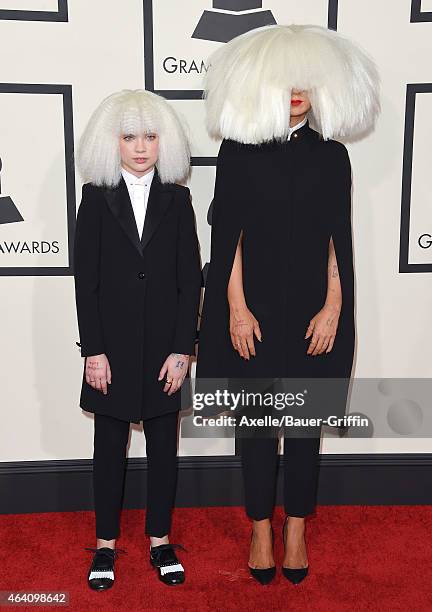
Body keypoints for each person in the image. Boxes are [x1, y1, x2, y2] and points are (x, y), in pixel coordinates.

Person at [196, 24, 380, 585]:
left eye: (306, 81)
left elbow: (337, 243)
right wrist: (235, 308)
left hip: (311, 314)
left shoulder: (332, 156)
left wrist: (333, 306)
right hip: (252, 310)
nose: (296, 91)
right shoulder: (238, 151)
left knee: (303, 429)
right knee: (255, 425)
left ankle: (295, 529)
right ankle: (259, 527)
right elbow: (227, 239)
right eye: (285, 81)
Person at [73, 89, 202, 590]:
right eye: (130, 136)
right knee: (108, 446)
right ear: (113, 142)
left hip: (164, 349)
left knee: (164, 448)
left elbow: (190, 278)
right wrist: (94, 351)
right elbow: (87, 280)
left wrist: (182, 348)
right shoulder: (95, 197)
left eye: (150, 136)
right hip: (111, 349)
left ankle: (160, 541)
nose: (141, 147)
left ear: (162, 141)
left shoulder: (178, 197)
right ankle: (105, 545)